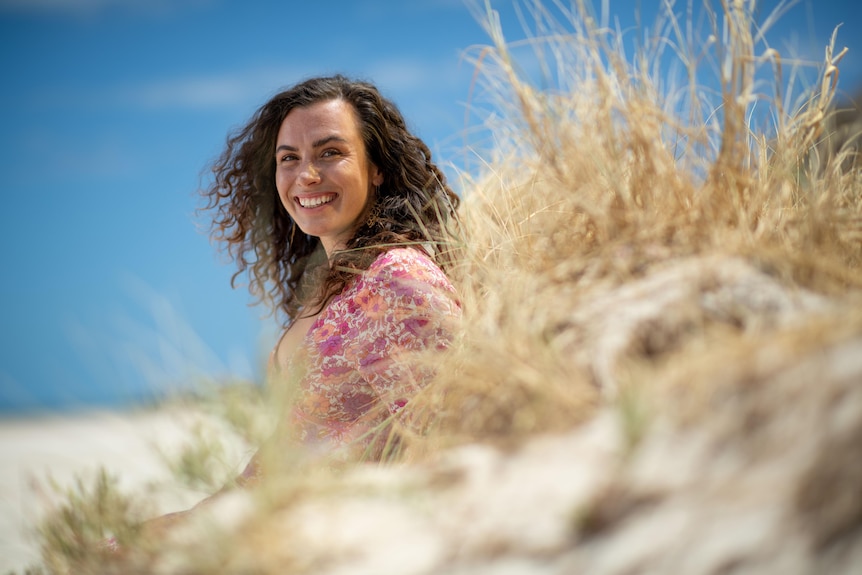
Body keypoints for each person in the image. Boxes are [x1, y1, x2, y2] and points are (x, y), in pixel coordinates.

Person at [131, 74, 462, 539]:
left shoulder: (399, 278)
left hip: (328, 532)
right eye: (290, 159)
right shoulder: (327, 286)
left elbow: (442, 424)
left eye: (330, 152)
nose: (306, 175)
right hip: (265, 514)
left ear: (376, 167)